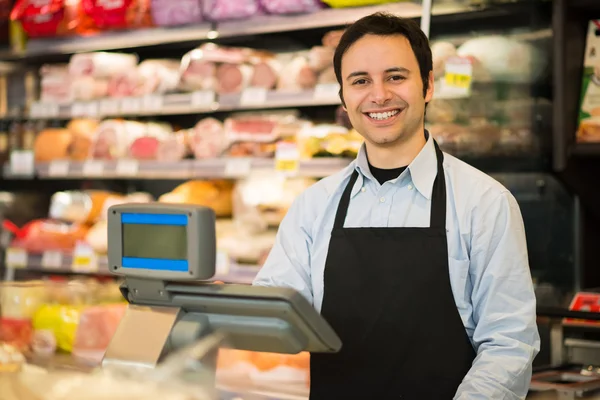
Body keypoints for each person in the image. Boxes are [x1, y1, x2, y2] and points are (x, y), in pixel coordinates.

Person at [253, 12, 540, 400]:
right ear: (343, 98)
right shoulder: (314, 206)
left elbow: (509, 345)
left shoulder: (485, 203)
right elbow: (274, 319)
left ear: (428, 86)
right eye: (360, 81)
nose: (379, 95)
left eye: (396, 76)